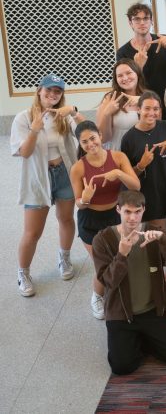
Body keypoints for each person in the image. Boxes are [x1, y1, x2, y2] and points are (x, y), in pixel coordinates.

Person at [92, 190, 166, 375]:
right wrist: (122, 254)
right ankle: (134, 339)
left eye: (137, 211)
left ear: (144, 210)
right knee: (122, 367)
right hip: (121, 313)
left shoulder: (153, 232)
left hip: (151, 310)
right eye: (127, 212)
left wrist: (163, 239)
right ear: (118, 209)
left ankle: (140, 338)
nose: (132, 217)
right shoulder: (103, 240)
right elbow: (108, 282)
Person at [11, 74, 85, 296]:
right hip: (38, 176)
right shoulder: (23, 118)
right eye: (49, 90)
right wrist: (34, 129)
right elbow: (24, 152)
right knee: (33, 231)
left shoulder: (62, 116)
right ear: (39, 90)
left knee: (65, 219)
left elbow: (88, 132)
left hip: (65, 172)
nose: (52, 95)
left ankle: (64, 258)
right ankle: (23, 273)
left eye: (58, 91)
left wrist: (72, 110)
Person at [69, 121, 140, 319]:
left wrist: (118, 173)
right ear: (80, 145)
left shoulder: (118, 157)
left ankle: (121, 292)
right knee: (103, 264)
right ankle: (97, 296)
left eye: (93, 138)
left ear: (100, 135)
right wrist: (86, 198)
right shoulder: (77, 168)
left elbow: (136, 185)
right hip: (90, 220)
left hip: (114, 218)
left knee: (121, 258)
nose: (90, 144)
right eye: (84, 142)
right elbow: (78, 203)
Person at [121, 91, 166, 242]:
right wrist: (141, 165)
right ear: (138, 109)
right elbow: (128, 178)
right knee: (160, 242)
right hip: (151, 196)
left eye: (156, 109)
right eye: (147, 108)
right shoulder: (128, 139)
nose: (152, 113)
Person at [116, 3, 166, 113]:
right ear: (130, 23)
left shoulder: (163, 41)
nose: (142, 23)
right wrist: (138, 67)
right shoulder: (123, 52)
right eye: (137, 19)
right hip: (141, 106)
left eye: (146, 18)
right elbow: (125, 85)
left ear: (151, 21)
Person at [96, 59, 146, 151]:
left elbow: (156, 128)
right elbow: (103, 138)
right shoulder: (110, 98)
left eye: (129, 73)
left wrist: (141, 100)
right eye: (120, 75)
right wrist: (107, 114)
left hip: (142, 154)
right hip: (117, 153)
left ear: (137, 73)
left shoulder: (148, 97)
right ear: (116, 79)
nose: (125, 78)